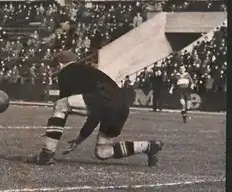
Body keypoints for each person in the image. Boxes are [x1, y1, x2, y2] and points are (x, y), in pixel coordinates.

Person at [28, 51, 163, 166]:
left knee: (60, 105)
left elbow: (62, 104)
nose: (53, 70)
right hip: (121, 107)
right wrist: (79, 139)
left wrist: (53, 130)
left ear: (59, 65)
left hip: (105, 99)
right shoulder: (88, 72)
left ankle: (47, 154)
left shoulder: (66, 71)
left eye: (54, 67)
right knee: (102, 152)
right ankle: (149, 146)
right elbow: (96, 113)